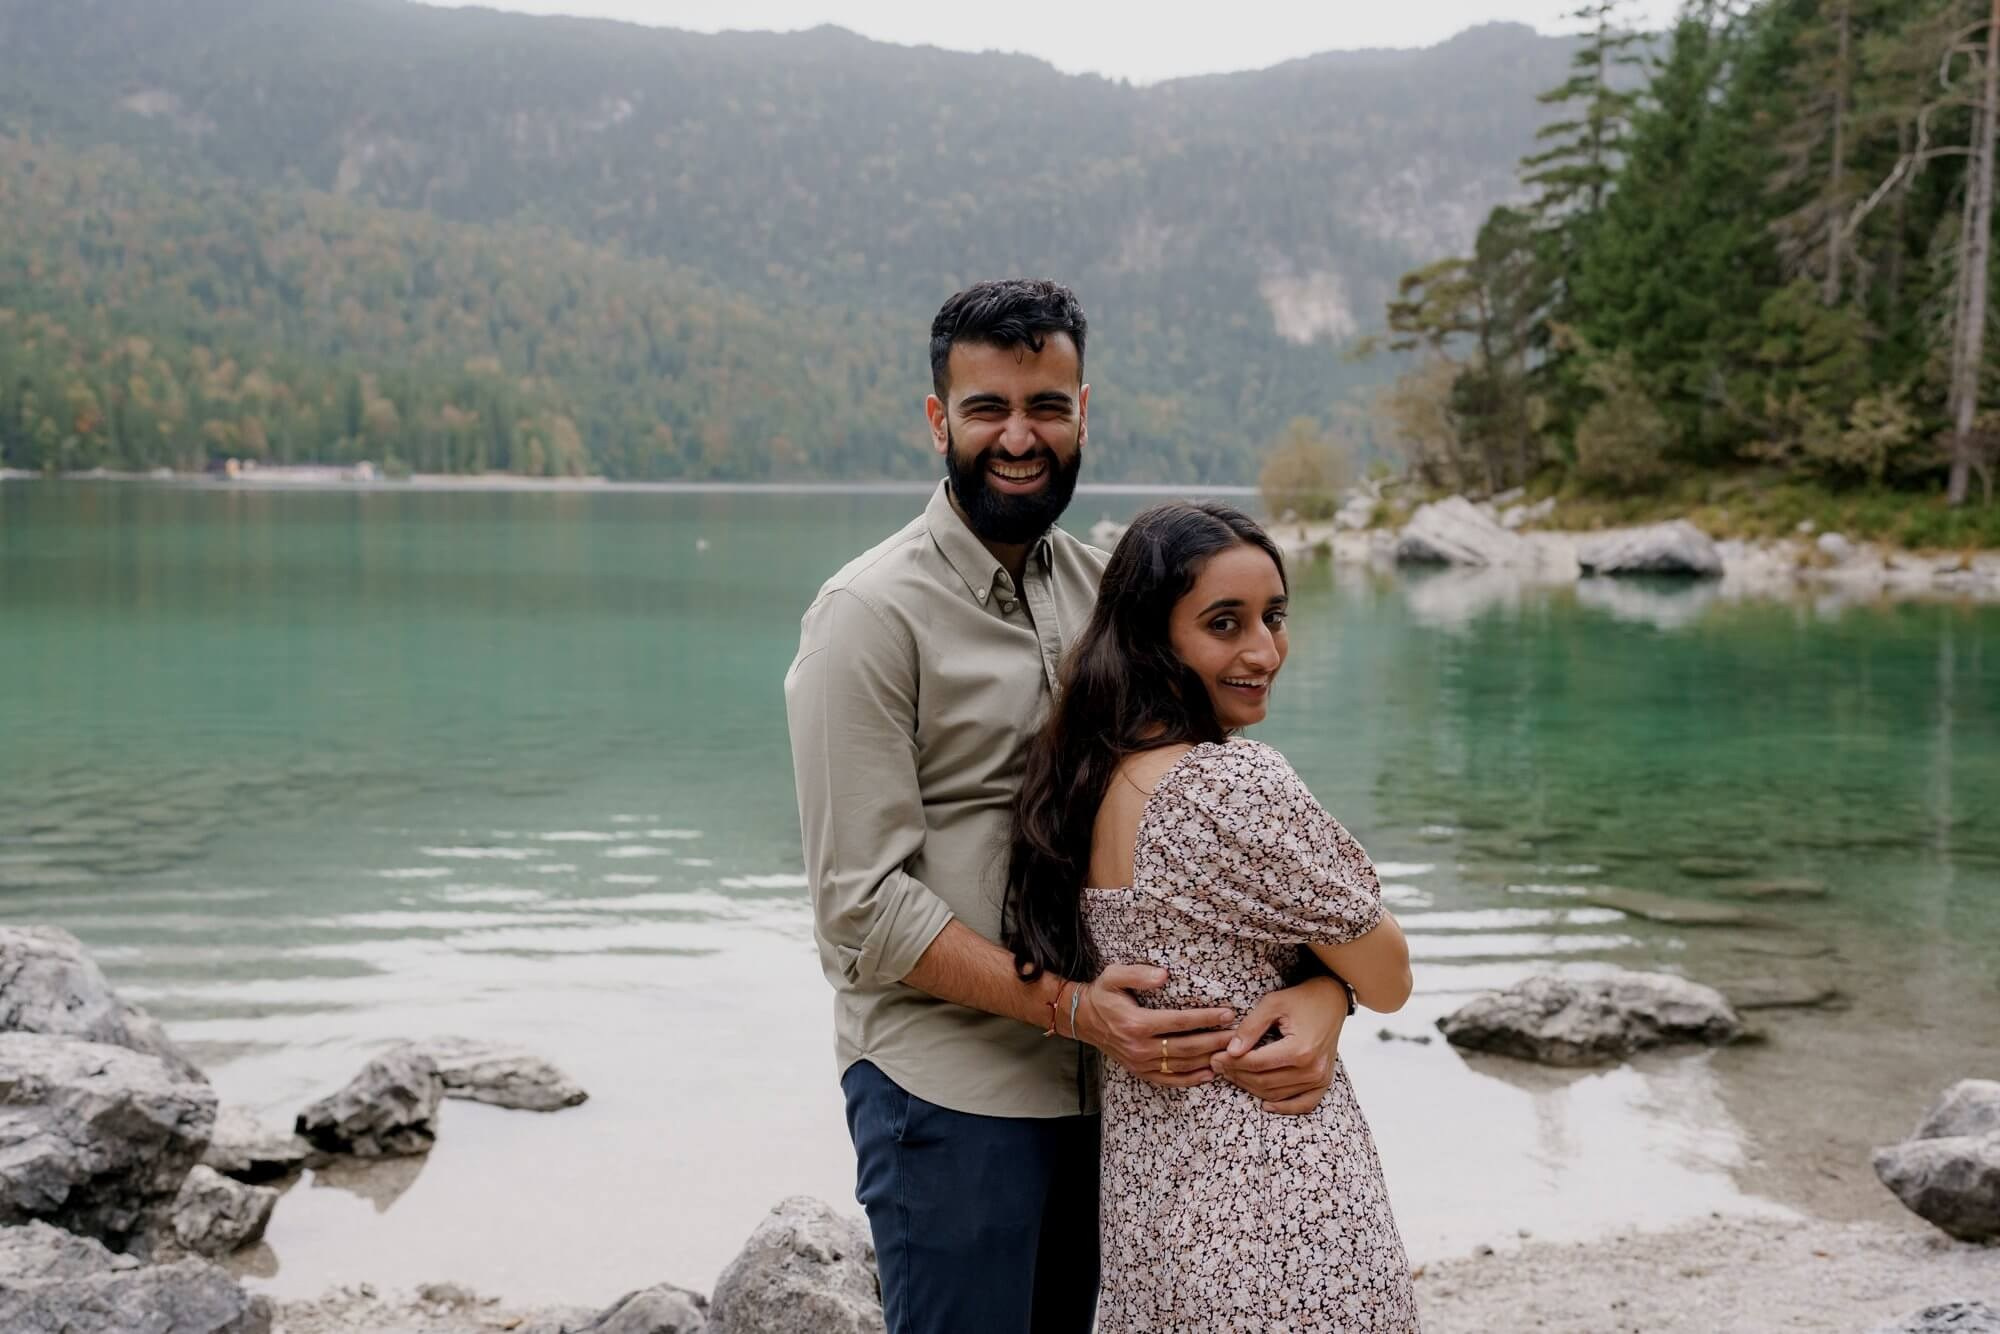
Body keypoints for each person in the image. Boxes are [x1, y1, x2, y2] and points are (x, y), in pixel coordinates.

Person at [784, 279, 1357, 1334]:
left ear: (1082, 413)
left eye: (1046, 406)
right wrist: (1075, 1008)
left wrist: (1327, 990)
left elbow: (1233, 838)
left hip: (1129, 1095)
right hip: (951, 1092)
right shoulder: (866, 617)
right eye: (987, 408)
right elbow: (859, 909)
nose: (1019, 437)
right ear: (937, 421)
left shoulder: (1114, 596)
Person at [1005, 500, 1419, 1332]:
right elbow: (1390, 977)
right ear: (1151, 638)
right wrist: (1334, 990)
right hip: (1281, 1205)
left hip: (1155, 1208)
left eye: (1274, 617)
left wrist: (1321, 991)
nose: (1263, 651)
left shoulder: (1085, 777)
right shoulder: (1229, 786)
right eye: (1224, 623)